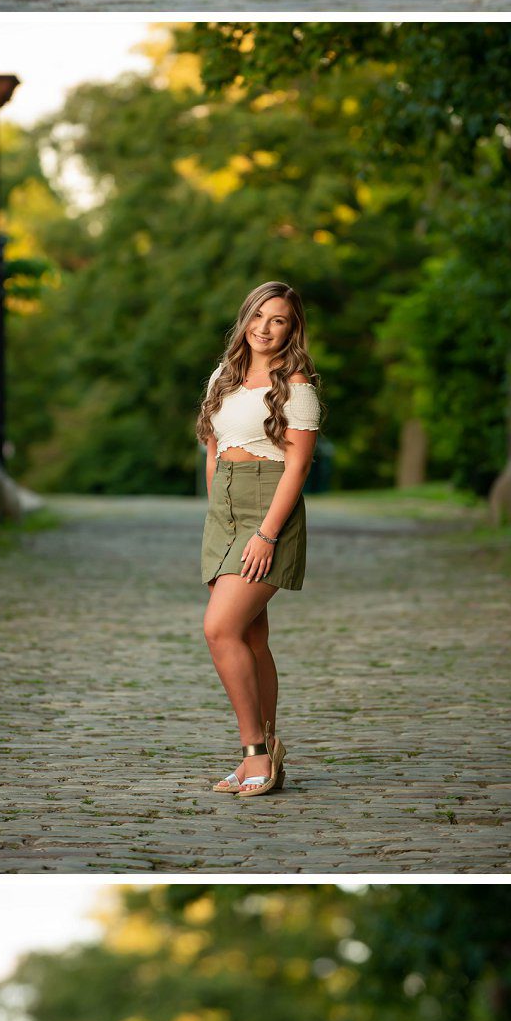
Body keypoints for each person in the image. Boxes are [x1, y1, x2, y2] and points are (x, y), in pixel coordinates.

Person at [196, 282, 321, 797]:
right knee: (250, 637)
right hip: (223, 509)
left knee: (219, 628)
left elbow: (298, 464)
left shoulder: (296, 386)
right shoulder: (222, 378)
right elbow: (213, 449)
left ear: (293, 330)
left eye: (280, 321)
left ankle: (254, 754)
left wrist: (267, 533)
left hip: (269, 506)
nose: (266, 329)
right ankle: (265, 750)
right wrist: (216, 515)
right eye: (260, 317)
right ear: (245, 318)